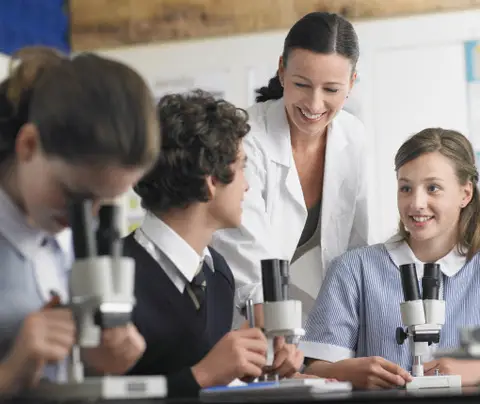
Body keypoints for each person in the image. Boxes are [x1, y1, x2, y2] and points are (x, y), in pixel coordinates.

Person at [123, 90, 304, 398]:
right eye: (242, 167)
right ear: (211, 181)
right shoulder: (116, 272)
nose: (247, 185)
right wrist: (204, 374)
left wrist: (246, 369)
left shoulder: (218, 273)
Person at [0, 46, 160, 394]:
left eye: (103, 203)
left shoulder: (62, 237)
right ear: (28, 145)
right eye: (74, 197)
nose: (83, 220)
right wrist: (12, 370)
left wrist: (96, 361)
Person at [210, 11, 369, 327]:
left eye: (331, 90)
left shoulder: (353, 135)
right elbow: (248, 266)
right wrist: (291, 350)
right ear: (282, 71)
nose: (314, 104)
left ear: (351, 83)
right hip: (247, 324)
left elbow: (356, 250)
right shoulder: (243, 137)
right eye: (301, 84)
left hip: (315, 329)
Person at [301, 128, 480, 388]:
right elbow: (314, 368)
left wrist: (475, 369)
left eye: (433, 188)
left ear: (465, 194)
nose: (416, 203)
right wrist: (347, 373)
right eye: (406, 188)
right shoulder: (354, 269)